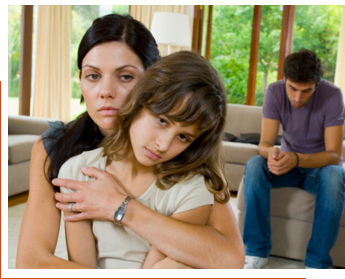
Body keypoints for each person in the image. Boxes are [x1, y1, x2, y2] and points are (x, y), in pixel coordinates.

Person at [16, 14, 244, 269]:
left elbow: (228, 257)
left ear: (153, 82)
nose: (105, 91)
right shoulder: (59, 150)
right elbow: (32, 261)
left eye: (125, 77)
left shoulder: (187, 160)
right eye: (93, 76)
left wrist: (121, 206)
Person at [60, 50, 228, 269]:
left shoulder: (192, 186)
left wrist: (121, 207)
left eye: (183, 137)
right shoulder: (77, 172)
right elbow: (82, 269)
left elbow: (156, 269)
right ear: (139, 101)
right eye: (162, 120)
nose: (164, 145)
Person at [242, 49, 345, 269]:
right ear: (284, 79)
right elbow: (264, 144)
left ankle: (317, 263)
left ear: (316, 85)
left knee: (335, 175)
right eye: (292, 88)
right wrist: (270, 154)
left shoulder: (332, 95)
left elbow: (334, 155)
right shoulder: (274, 92)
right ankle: (256, 252)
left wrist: (297, 159)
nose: (298, 98)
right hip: (288, 165)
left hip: (319, 169)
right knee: (254, 165)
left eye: (306, 91)